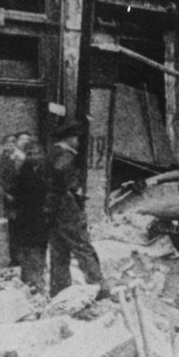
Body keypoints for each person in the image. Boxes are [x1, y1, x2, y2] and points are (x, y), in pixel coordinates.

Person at [45, 122, 107, 299]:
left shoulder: (50, 153)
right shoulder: (65, 155)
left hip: (53, 209)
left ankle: (59, 292)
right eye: (77, 138)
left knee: (59, 252)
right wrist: (72, 193)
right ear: (70, 138)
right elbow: (60, 175)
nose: (78, 142)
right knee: (82, 247)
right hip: (66, 209)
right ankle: (99, 286)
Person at [15, 140, 48, 294]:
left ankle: (38, 283)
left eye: (37, 153)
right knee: (30, 256)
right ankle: (32, 287)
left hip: (41, 223)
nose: (34, 156)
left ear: (42, 155)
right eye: (30, 154)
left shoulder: (43, 171)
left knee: (40, 254)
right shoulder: (23, 173)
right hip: (28, 223)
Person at [0, 131, 31, 265]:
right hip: (12, 200)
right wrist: (6, 194)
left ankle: (23, 258)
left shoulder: (25, 158)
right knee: (14, 229)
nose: (26, 142)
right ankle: (16, 259)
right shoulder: (8, 158)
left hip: (24, 200)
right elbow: (1, 179)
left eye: (28, 140)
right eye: (23, 140)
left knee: (23, 228)